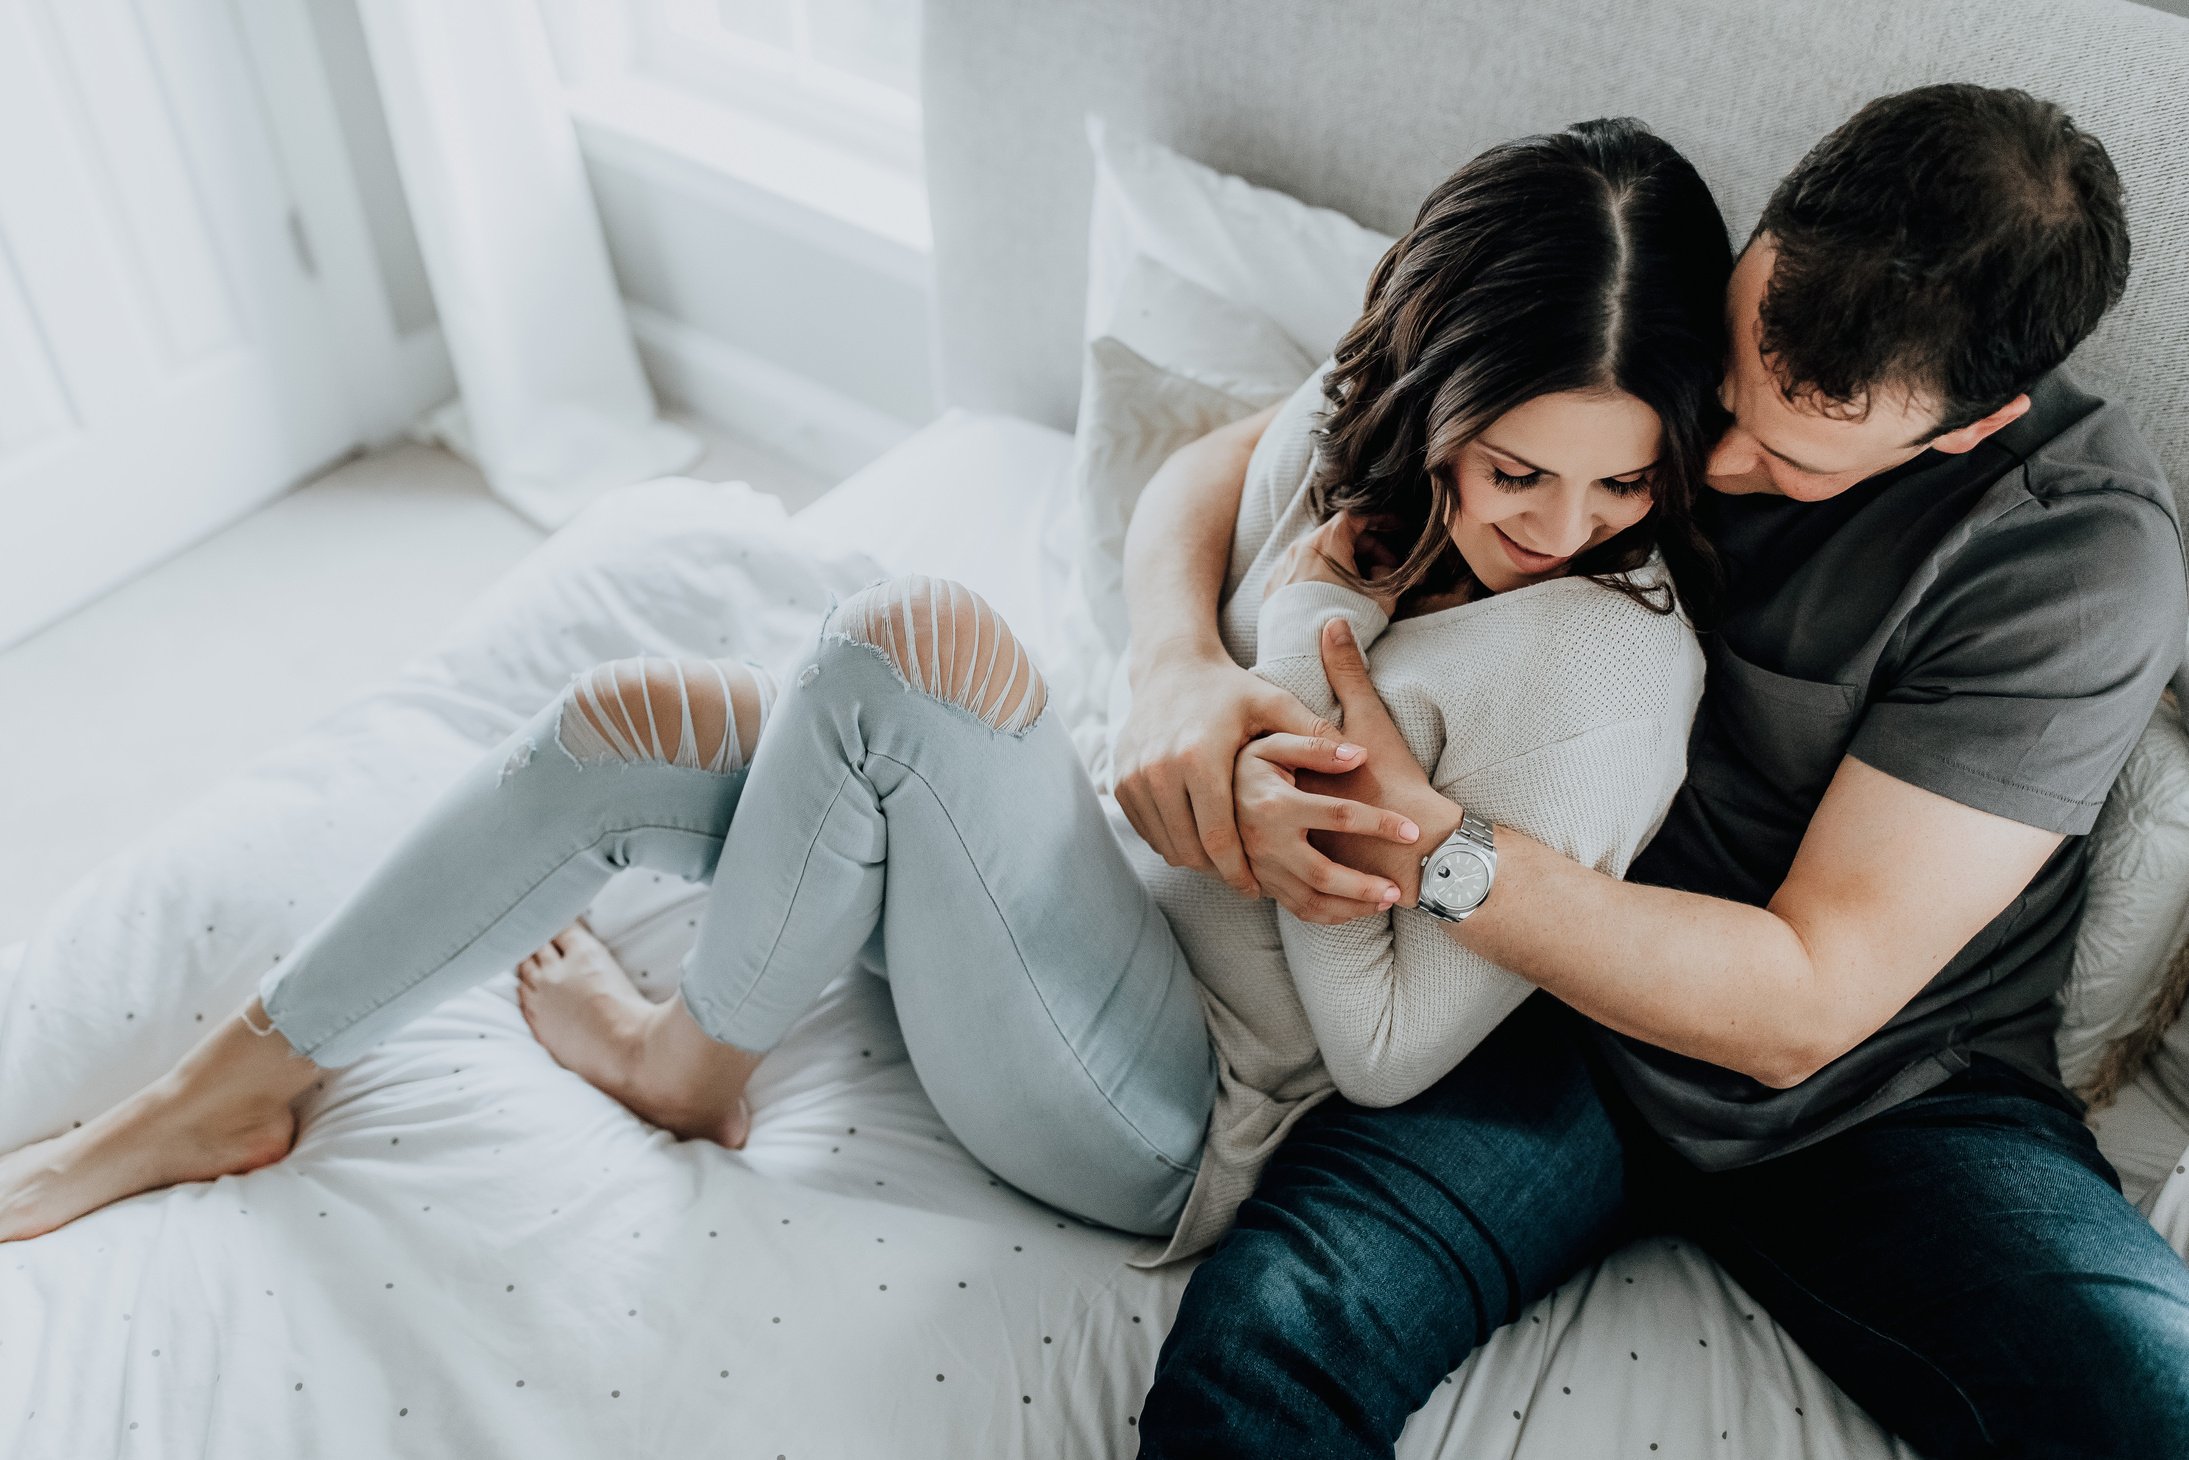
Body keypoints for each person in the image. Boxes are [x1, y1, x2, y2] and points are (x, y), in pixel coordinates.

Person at [0, 119, 1729, 1266]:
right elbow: (1198, 477)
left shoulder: (1598, 664)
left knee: (900, 651)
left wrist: (1294, 654)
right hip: (1045, 889)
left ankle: (689, 1068)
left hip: (1169, 1095)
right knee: (639, 716)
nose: (1557, 529)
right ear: (1428, 389)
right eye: (1512, 472)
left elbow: (1381, 1053)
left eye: (1621, 488)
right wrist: (1175, 666)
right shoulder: (1377, 451)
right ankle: (212, 1091)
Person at [1122, 85, 2189, 1459]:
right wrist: (1170, 666)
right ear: (1768, 235)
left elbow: (1801, 1005)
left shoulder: (2071, 564)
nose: (1715, 462)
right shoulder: (1673, 302)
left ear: (1965, 432)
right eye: (1721, 400)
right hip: (1538, 1016)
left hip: (1880, 1094)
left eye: (1788, 458)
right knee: (1263, 1345)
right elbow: (1260, 445)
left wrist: (1434, 847)